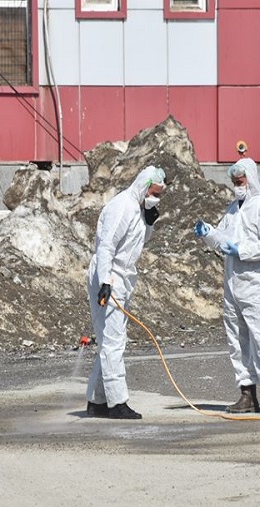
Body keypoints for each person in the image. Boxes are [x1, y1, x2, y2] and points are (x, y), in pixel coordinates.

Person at [194, 158, 260, 415]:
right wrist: (208, 234)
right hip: (233, 284)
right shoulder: (233, 209)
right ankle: (247, 394)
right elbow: (223, 240)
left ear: (252, 178)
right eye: (234, 182)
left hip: (256, 284)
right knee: (237, 340)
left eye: (240, 181)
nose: (237, 186)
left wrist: (241, 250)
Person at [85, 165, 167, 420]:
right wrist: (105, 280)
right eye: (153, 193)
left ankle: (97, 400)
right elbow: (106, 246)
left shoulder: (138, 210)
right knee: (113, 342)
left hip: (122, 277)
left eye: (159, 195)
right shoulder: (122, 206)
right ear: (143, 187)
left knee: (110, 341)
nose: (155, 198)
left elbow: (135, 243)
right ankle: (117, 403)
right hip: (109, 276)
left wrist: (149, 223)